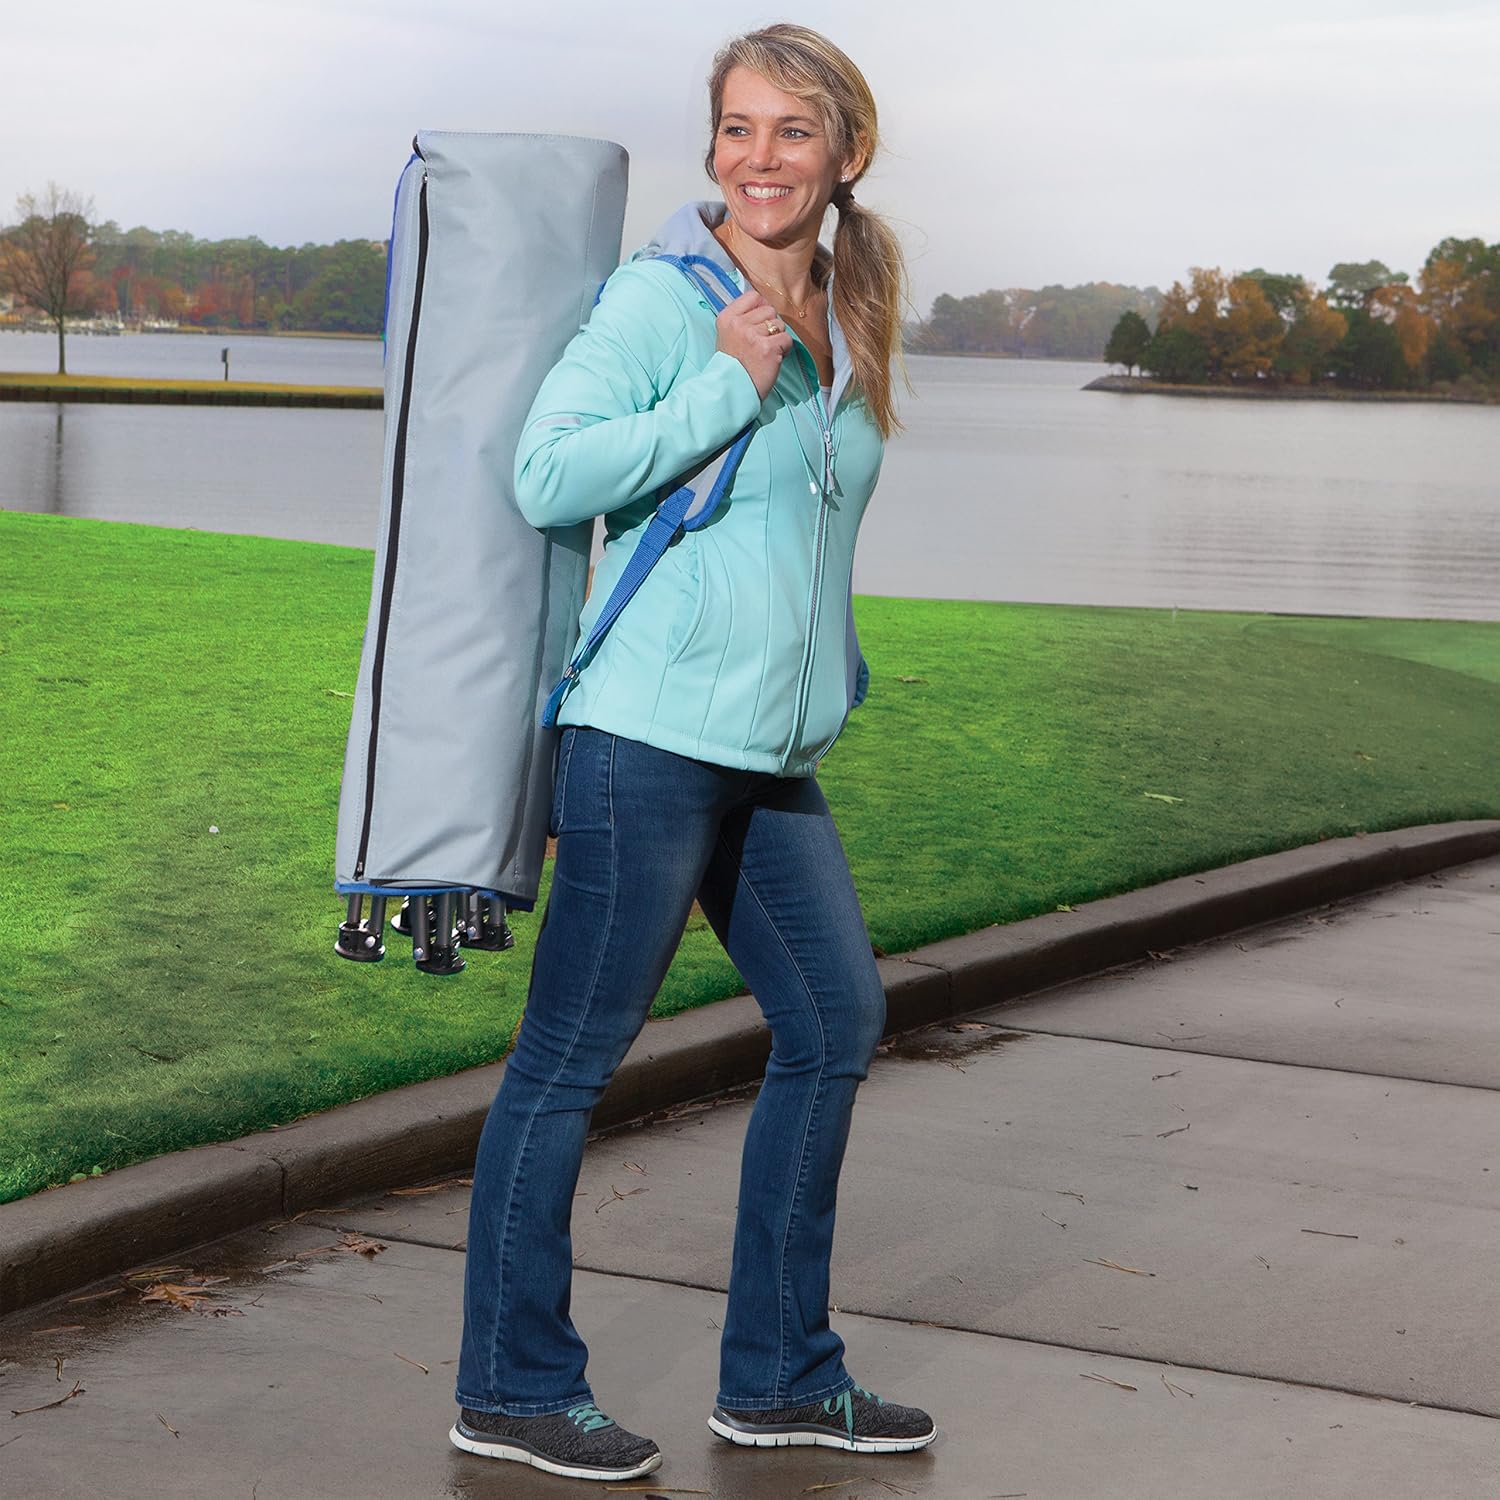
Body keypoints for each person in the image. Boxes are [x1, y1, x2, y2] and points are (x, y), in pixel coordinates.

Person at [449, 23, 936, 1483]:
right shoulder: (667, 301)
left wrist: (825, 666)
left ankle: (781, 1374)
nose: (760, 159)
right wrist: (721, 380)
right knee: (566, 1067)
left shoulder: (856, 302)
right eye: (737, 129)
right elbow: (550, 471)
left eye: (792, 132)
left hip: (766, 755)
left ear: (847, 149)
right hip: (643, 741)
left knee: (836, 1023)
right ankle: (513, 1386)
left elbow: (814, 524)